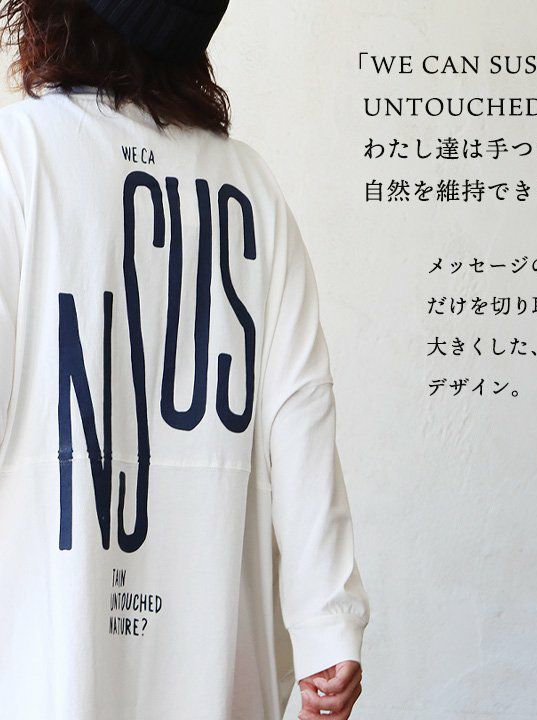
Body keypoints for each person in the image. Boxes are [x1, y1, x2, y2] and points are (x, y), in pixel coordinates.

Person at [0, 1, 370, 719]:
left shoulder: (18, 157)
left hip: (44, 666)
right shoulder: (250, 187)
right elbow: (300, 409)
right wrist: (327, 623)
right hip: (214, 668)